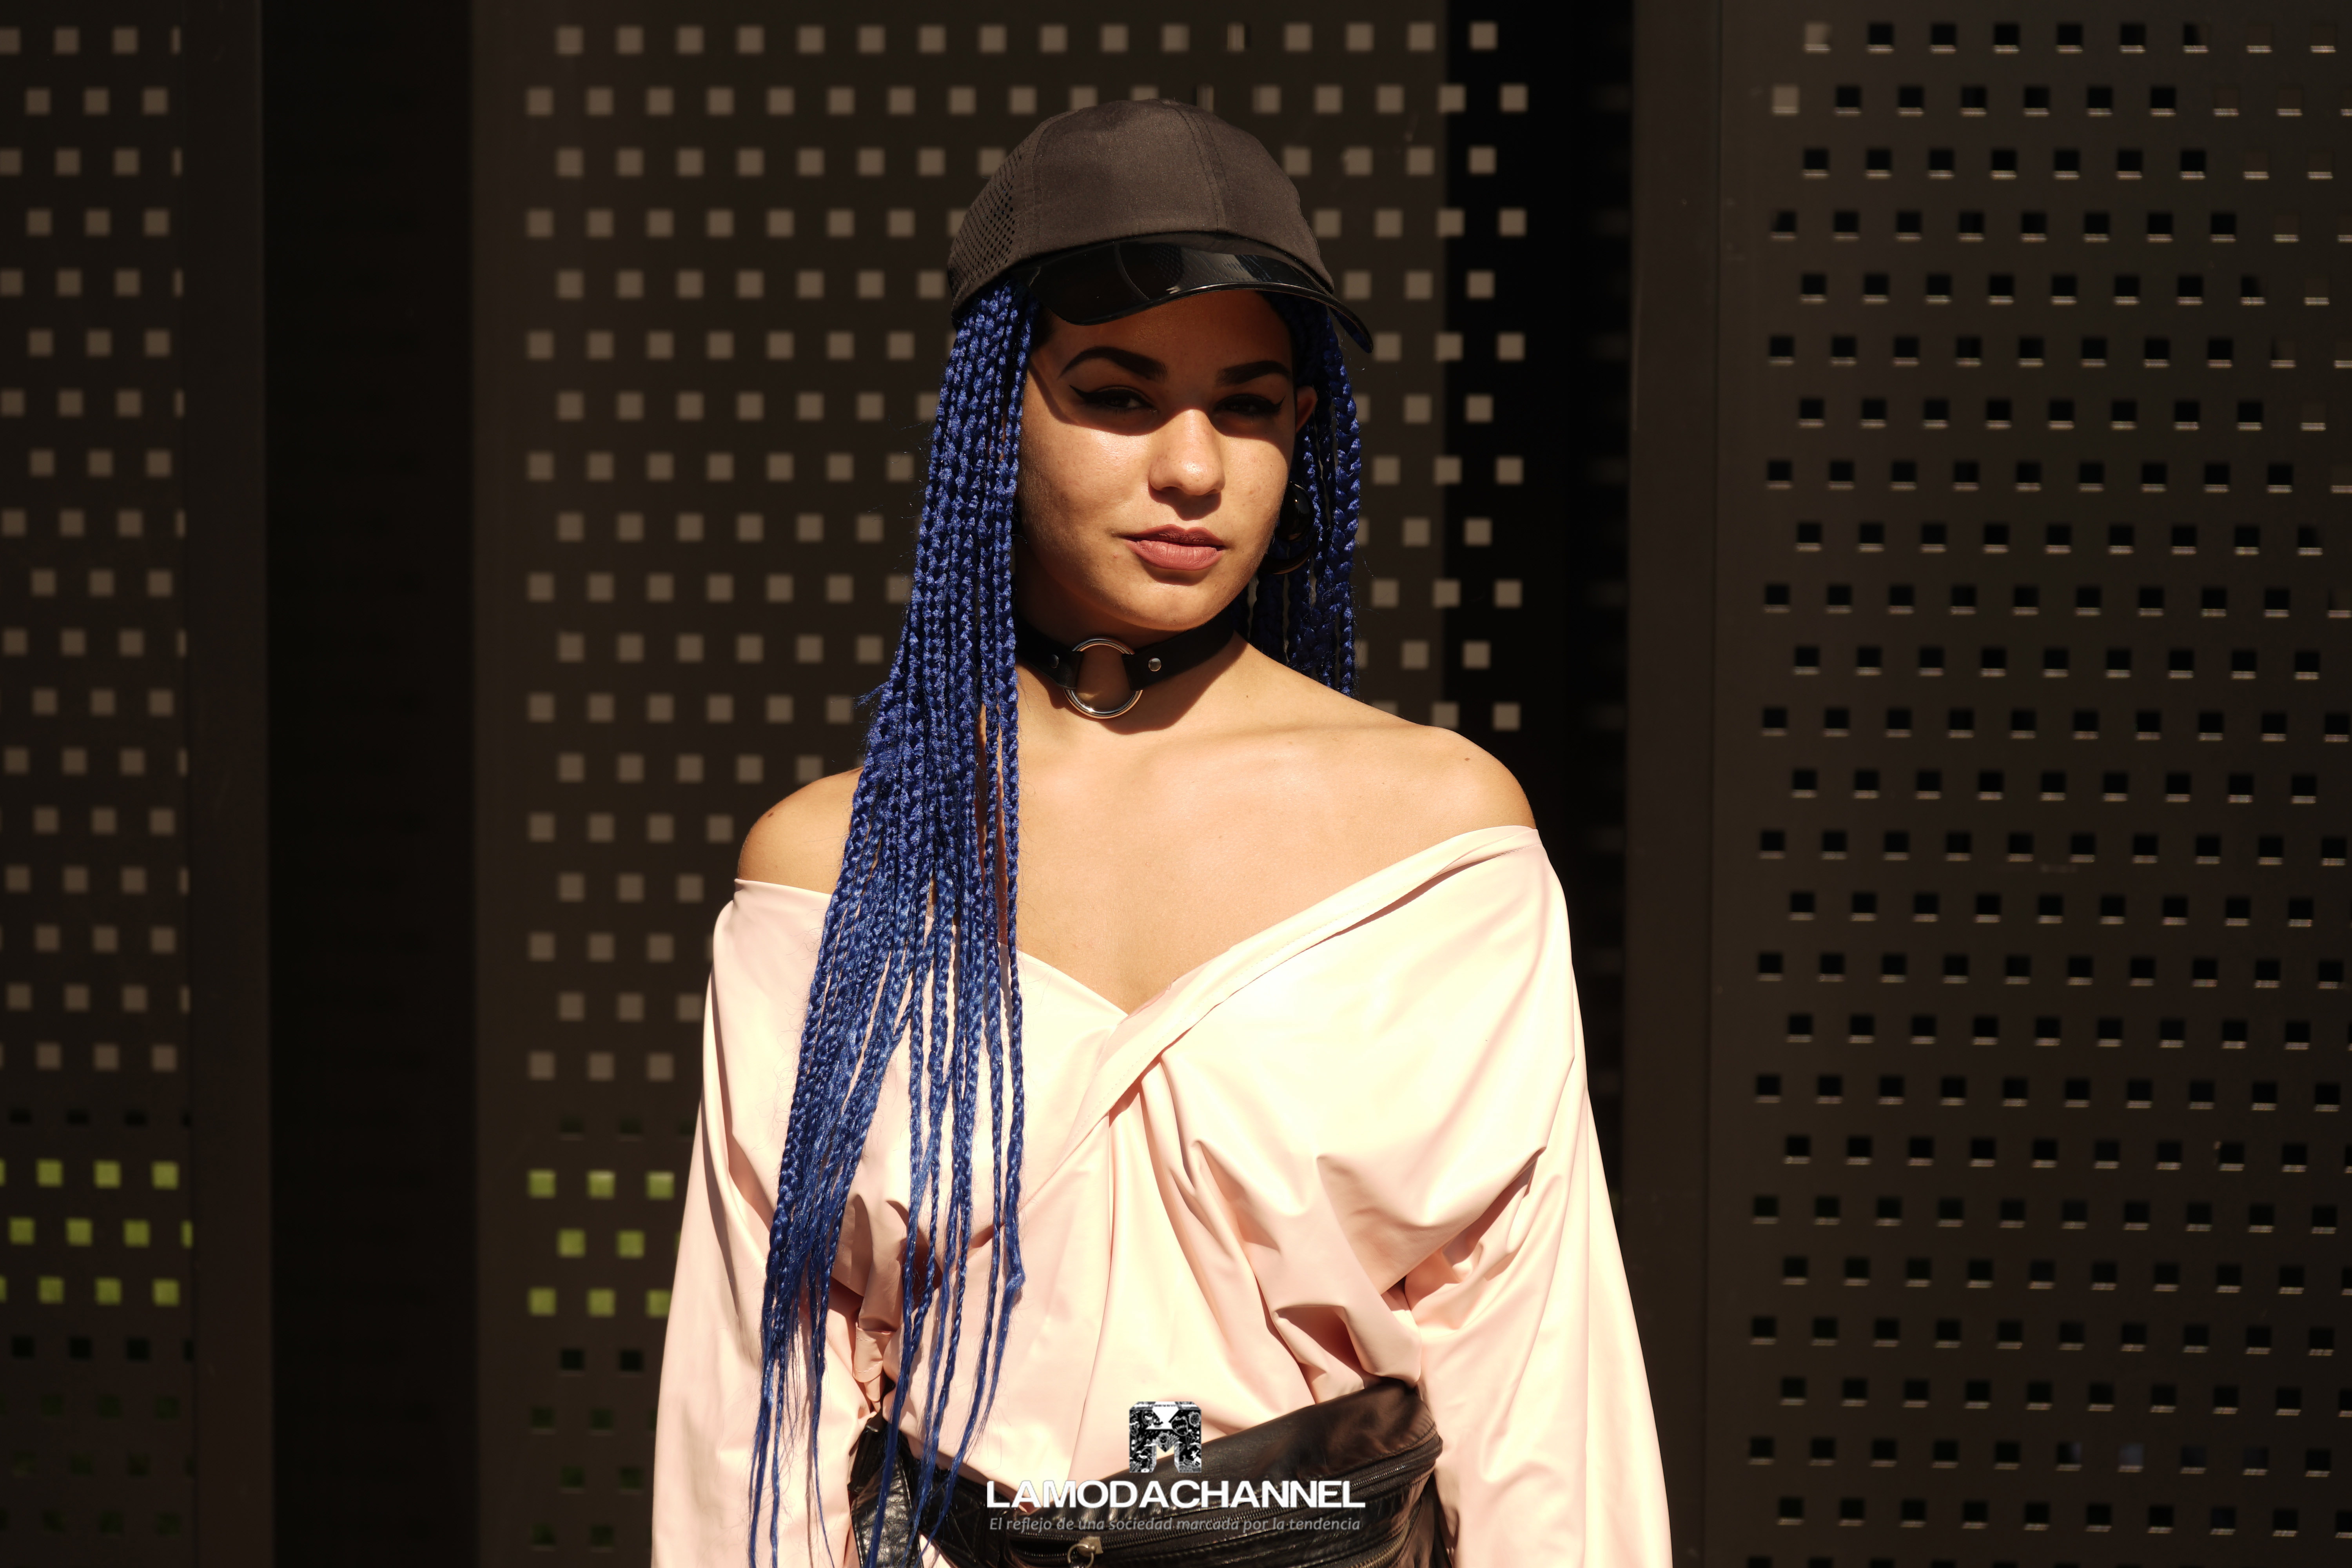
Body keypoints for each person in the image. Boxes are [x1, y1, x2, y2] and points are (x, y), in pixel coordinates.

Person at [652, 99, 1669, 1567]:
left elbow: (1543, 1386)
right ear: (999, 407)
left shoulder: (1439, 838)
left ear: (1303, 428)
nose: (1192, 469)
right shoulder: (828, 871)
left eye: (1249, 404)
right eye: (1120, 394)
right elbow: (760, 1404)